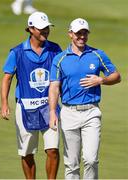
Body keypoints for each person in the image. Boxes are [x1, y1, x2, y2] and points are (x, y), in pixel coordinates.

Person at [49, 18, 121, 179]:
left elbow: (116, 76)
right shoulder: (60, 58)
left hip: (91, 112)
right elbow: (54, 87)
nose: (82, 36)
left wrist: (101, 80)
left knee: (91, 159)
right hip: (69, 113)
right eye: (78, 33)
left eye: (85, 33)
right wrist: (52, 111)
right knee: (71, 164)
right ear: (70, 34)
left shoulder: (97, 54)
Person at [0, 11, 62, 179]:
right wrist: (4, 103)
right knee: (27, 152)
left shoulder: (55, 49)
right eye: (42, 29)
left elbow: (61, 76)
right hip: (26, 107)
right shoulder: (17, 52)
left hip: (50, 107)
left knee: (53, 150)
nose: (46, 31)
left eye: (47, 28)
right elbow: (7, 78)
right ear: (31, 29)